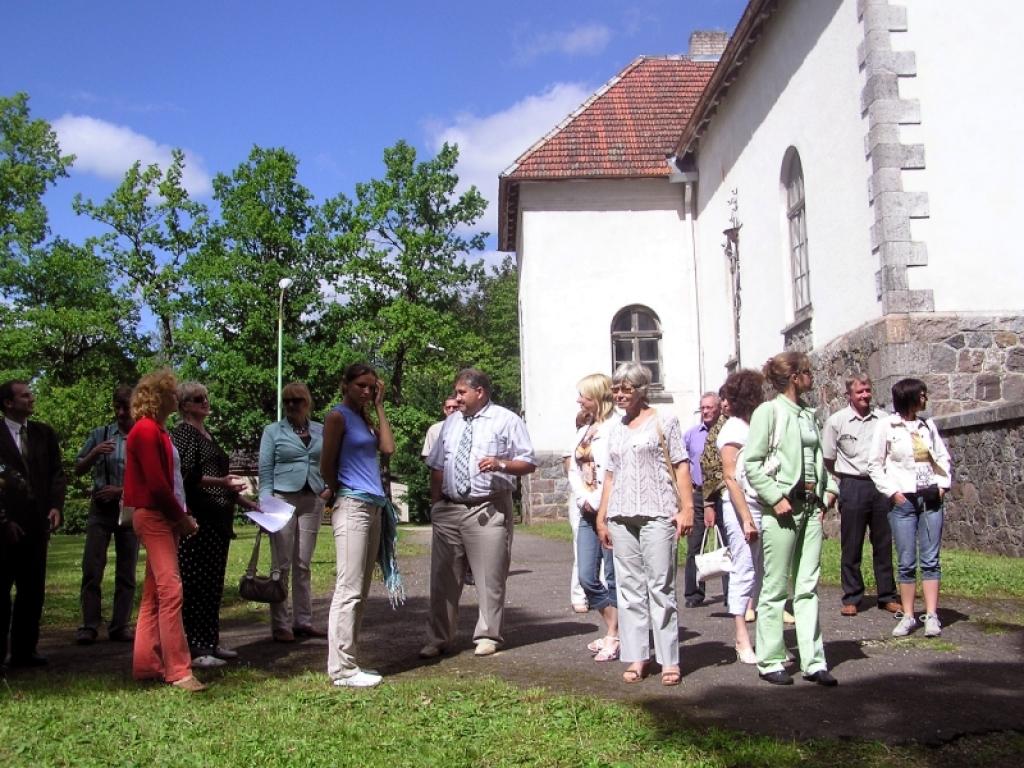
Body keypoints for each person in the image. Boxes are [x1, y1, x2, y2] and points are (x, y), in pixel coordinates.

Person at [420, 368, 536, 660]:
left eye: (461, 392)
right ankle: (439, 637)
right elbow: (437, 466)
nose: (456, 398)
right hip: (449, 508)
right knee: (442, 577)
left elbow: (528, 462)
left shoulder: (507, 420)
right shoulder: (451, 424)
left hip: (488, 507)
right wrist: (435, 505)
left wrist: (501, 464)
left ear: (479, 392)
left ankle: (487, 635)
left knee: (490, 577)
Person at [596, 363, 694, 686]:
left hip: (658, 513)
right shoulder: (615, 428)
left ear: (641, 390)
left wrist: (687, 509)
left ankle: (669, 659)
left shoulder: (664, 421)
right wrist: (602, 515)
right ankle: (637, 656)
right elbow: (610, 476)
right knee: (628, 589)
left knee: (660, 587)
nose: (620, 394)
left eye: (626, 389)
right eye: (616, 389)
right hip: (621, 516)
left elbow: (681, 467)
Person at [744, 352, 838, 687]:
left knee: (807, 585)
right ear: (795, 376)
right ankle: (770, 659)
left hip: (812, 507)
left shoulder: (808, 414)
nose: (813, 377)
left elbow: (819, 460)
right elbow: (751, 463)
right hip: (783, 509)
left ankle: (814, 660)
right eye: (808, 372)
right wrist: (775, 497)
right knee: (774, 585)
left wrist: (829, 491)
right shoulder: (769, 412)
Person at [122, 369, 204, 692]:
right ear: (158, 397)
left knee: (155, 592)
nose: (176, 398)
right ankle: (179, 669)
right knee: (171, 590)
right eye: (172, 394)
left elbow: (170, 482)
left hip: (163, 516)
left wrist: (180, 515)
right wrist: (180, 517)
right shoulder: (144, 431)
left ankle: (147, 665)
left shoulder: (157, 431)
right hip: (155, 516)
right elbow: (156, 484)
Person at [171, 382, 258, 670]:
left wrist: (249, 505)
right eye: (197, 399)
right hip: (198, 518)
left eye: (206, 398)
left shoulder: (207, 434)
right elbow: (184, 475)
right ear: (184, 405)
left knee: (212, 583)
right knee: (196, 583)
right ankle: (195, 646)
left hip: (218, 519)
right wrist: (221, 482)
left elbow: (221, 478)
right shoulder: (183, 434)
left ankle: (210, 640)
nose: (204, 403)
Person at [320, 363, 396, 687]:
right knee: (348, 589)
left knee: (361, 590)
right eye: (360, 386)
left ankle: (351, 661)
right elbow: (326, 464)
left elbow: (388, 448)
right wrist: (336, 491)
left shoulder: (364, 419)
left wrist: (379, 406)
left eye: (370, 387)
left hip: (374, 505)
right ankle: (341, 669)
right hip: (352, 504)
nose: (365, 391)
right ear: (345, 385)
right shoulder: (337, 417)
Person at [867, 378, 951, 638]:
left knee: (931, 559)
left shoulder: (928, 426)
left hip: (929, 499)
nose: (925, 399)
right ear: (909, 398)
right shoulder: (886, 426)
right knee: (906, 561)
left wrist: (942, 485)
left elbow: (942, 458)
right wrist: (893, 493)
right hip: (903, 500)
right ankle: (908, 615)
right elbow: (874, 464)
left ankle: (932, 615)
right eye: (921, 395)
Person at [0, 380, 66, 671]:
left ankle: (25, 650)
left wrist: (55, 506)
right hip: (5, 525)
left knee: (32, 590)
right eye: (25, 395)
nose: (31, 398)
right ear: (8, 403)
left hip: (37, 525)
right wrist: (3, 521)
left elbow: (56, 474)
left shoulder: (43, 434)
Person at [822, 374, 900, 616]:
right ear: (849, 395)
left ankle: (887, 595)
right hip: (852, 485)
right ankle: (852, 597)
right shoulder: (837, 422)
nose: (865, 396)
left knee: (883, 543)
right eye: (860, 392)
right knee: (851, 544)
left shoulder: (884, 420)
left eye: (867, 391)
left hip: (880, 486)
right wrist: (844, 481)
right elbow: (828, 458)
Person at [259, 381, 330, 643]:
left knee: (303, 563)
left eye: (296, 400)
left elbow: (331, 460)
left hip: (312, 499)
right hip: (281, 499)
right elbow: (265, 469)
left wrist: (329, 488)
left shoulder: (320, 430)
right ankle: (281, 623)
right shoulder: (273, 432)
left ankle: (303, 620)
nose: (291, 405)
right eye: (286, 401)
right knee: (281, 563)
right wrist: (265, 504)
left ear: (307, 402)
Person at [74, 385, 139, 645]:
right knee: (92, 567)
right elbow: (78, 468)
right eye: (117, 407)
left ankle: (120, 625)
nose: (121, 413)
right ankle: (89, 625)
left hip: (129, 509)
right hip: (101, 510)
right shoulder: (100, 435)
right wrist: (93, 453)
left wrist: (120, 489)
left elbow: (151, 477)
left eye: (126, 407)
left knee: (127, 570)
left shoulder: (141, 437)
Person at [716, 370, 765, 664]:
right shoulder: (732, 429)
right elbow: (730, 477)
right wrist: (746, 517)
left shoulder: (753, 424)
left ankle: (763, 636)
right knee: (744, 568)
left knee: (762, 571)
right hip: (739, 507)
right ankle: (741, 637)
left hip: (762, 502)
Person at [567, 375, 618, 661]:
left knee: (613, 577)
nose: (579, 400)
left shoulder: (615, 428)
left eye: (583, 395)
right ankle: (614, 628)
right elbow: (573, 468)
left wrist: (600, 503)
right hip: (586, 509)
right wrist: (583, 498)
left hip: (609, 511)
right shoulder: (585, 429)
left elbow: (613, 470)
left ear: (597, 397)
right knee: (587, 576)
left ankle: (615, 634)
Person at [683, 392, 729, 608]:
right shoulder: (691, 435)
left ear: (718, 408)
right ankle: (693, 594)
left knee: (728, 542)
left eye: (710, 407)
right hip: (699, 493)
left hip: (723, 492)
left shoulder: (726, 431)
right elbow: (682, 465)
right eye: (703, 408)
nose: (706, 411)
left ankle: (732, 594)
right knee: (695, 544)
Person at [564, 408, 591, 613]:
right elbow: (570, 470)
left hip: (600, 495)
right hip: (580, 497)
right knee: (579, 544)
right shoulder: (575, 441)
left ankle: (599, 589)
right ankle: (579, 593)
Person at [421, 395, 459, 460]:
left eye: (455, 407)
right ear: (444, 410)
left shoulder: (467, 427)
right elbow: (427, 455)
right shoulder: (434, 429)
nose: (451, 410)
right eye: (448, 407)